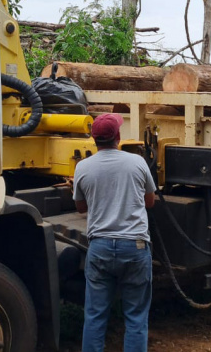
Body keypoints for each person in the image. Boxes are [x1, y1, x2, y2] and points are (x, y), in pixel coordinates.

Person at [74, 113, 157, 352]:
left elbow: (81, 208)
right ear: (118, 137)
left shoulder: (83, 167)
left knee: (95, 316)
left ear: (94, 139)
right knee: (136, 317)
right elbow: (150, 201)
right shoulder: (137, 162)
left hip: (99, 247)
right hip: (135, 248)